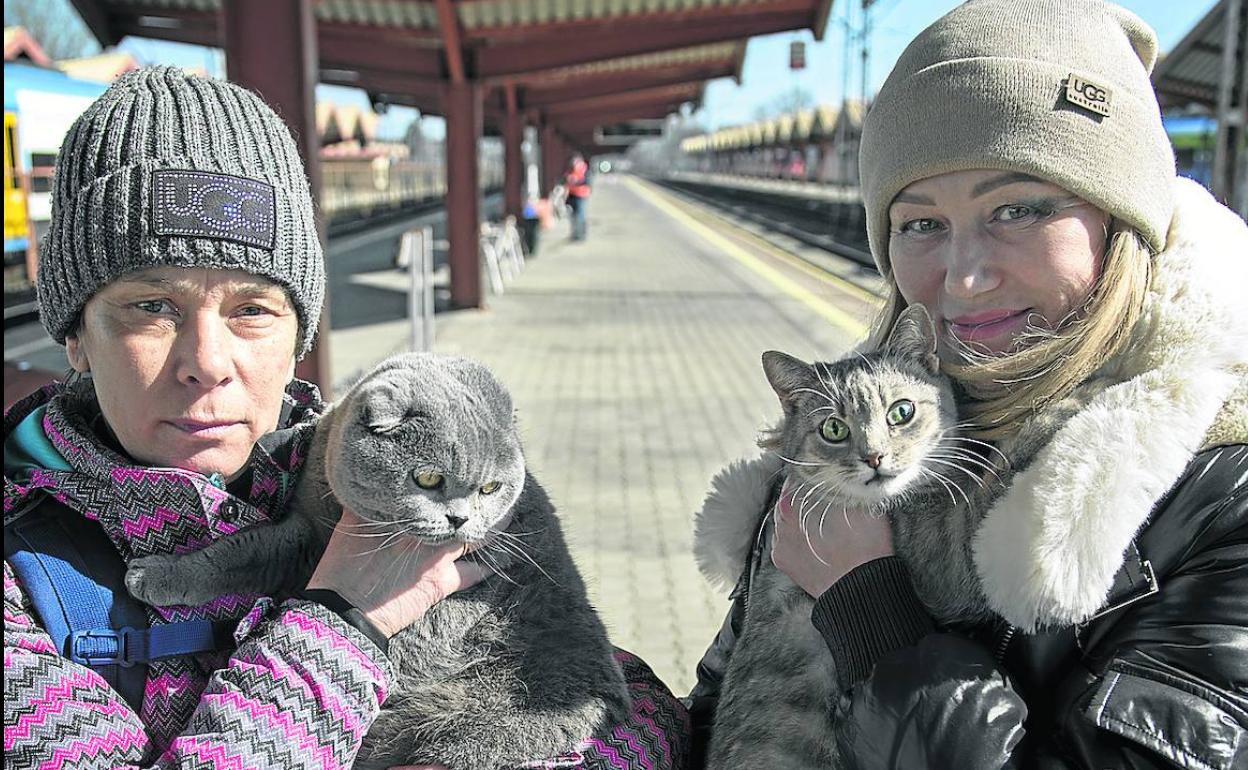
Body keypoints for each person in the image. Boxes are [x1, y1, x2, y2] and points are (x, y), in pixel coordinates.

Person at [3, 67, 689, 770]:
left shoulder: (406, 476)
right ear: (75, 336)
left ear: (297, 337)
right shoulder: (17, 585)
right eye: (152, 308)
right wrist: (339, 626)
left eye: (252, 310)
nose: (207, 362)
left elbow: (637, 710)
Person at [688, 1, 1247, 767]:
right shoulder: (845, 431)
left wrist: (873, 614)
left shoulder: (1227, 492)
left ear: (1122, 222)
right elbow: (719, 711)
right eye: (920, 224)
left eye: (1016, 209)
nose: (966, 275)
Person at [564, 153, 591, 242]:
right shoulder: (572, 168)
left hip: (580, 194)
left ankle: (580, 235)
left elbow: (586, 180)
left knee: (579, 215)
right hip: (573, 194)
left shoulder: (582, 167)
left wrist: (575, 181)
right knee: (575, 215)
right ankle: (577, 234)